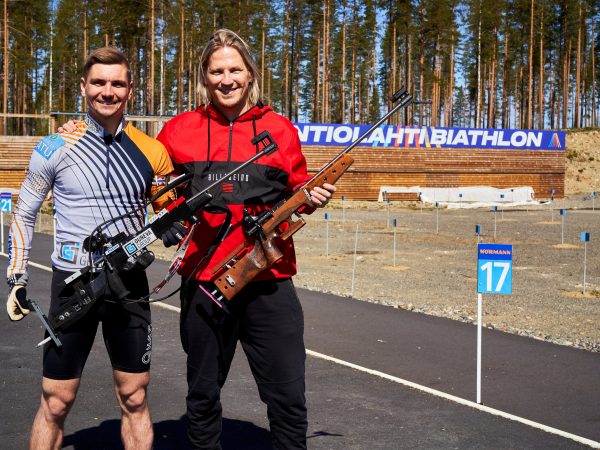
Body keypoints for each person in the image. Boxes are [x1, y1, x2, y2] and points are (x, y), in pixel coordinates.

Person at [156, 29, 336, 449]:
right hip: (204, 283)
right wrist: (167, 217)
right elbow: (159, 190)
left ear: (250, 73)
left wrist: (313, 196)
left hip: (268, 282)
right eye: (217, 70)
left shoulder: (280, 130)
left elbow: (299, 194)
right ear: (204, 76)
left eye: (235, 69)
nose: (227, 79)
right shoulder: (179, 131)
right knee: (202, 396)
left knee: (288, 398)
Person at [5, 47, 177, 450]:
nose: (107, 91)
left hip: (128, 283)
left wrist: (174, 226)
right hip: (71, 281)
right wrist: (17, 277)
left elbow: (171, 211)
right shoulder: (54, 146)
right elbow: (23, 212)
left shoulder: (152, 151)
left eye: (117, 83)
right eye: (99, 82)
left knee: (134, 396)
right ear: (84, 87)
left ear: (130, 90)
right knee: (56, 399)